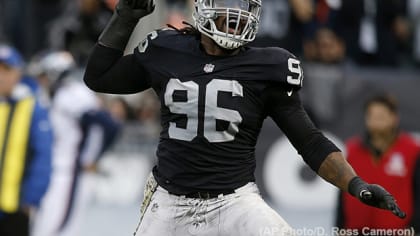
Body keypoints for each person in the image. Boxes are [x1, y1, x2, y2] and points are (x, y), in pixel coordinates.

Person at [83, 1, 406, 235]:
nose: (236, 16)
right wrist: (124, 18)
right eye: (228, 5)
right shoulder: (166, 48)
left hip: (235, 201)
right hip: (170, 202)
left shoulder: (269, 66)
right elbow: (100, 78)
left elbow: (308, 140)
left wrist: (356, 184)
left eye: (244, 6)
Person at [28, 51, 120, 236]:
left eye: (44, 76)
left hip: (68, 170)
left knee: (58, 227)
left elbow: (108, 125)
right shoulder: (49, 96)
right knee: (43, 223)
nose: (41, 81)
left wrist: (90, 157)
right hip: (52, 167)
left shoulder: (72, 95)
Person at [336, 94, 420, 234]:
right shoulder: (352, 150)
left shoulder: (412, 151)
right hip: (356, 230)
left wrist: (414, 228)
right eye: (371, 116)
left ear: (394, 118)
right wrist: (339, 228)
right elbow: (343, 193)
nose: (376, 120)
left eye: (381, 116)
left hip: (397, 231)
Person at [0, 44, 53, 236]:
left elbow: (42, 156)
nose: (1, 76)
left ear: (17, 73)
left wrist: (31, 199)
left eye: (6, 70)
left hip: (15, 206)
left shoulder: (32, 108)